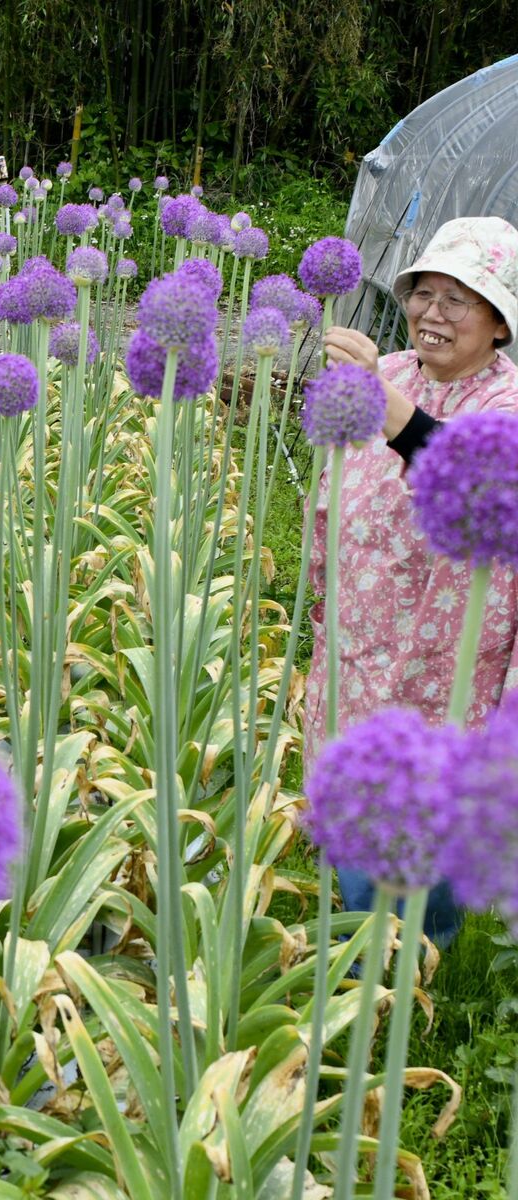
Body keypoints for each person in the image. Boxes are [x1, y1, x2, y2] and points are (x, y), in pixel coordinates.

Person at [307, 216, 518, 946]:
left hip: (445, 660)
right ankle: (360, 969)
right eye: (422, 293)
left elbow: (464, 468)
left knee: (424, 825)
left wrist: (381, 400)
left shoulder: (505, 403)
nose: (432, 312)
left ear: (499, 323)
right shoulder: (393, 370)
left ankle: (413, 982)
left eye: (458, 299)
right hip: (359, 638)